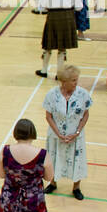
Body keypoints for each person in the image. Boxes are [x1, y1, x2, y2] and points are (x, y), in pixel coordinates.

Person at [43, 64, 91, 199]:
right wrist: (58, 134)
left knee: (77, 160)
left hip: (75, 136)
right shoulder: (52, 95)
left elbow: (86, 115)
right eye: (74, 80)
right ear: (64, 82)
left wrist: (76, 133)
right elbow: (48, 116)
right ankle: (52, 183)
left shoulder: (83, 94)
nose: (77, 82)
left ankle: (76, 187)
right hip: (56, 136)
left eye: (77, 79)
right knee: (53, 159)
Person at [35, 0, 82, 79]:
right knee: (62, 47)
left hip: (52, 15)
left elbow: (42, 5)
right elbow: (79, 7)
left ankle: (44, 70)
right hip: (68, 16)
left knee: (48, 44)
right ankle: (59, 73)